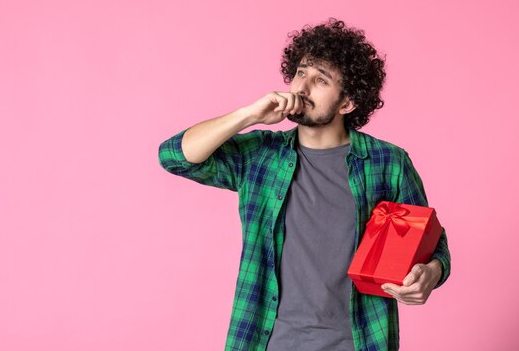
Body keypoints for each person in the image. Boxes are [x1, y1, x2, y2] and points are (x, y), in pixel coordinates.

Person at [157, 18, 451, 351]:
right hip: (268, 341)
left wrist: (432, 271)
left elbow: (432, 244)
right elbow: (174, 156)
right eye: (301, 72)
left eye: (320, 80)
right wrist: (247, 115)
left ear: (347, 103)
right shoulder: (261, 156)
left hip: (359, 341)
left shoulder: (388, 163)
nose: (302, 87)